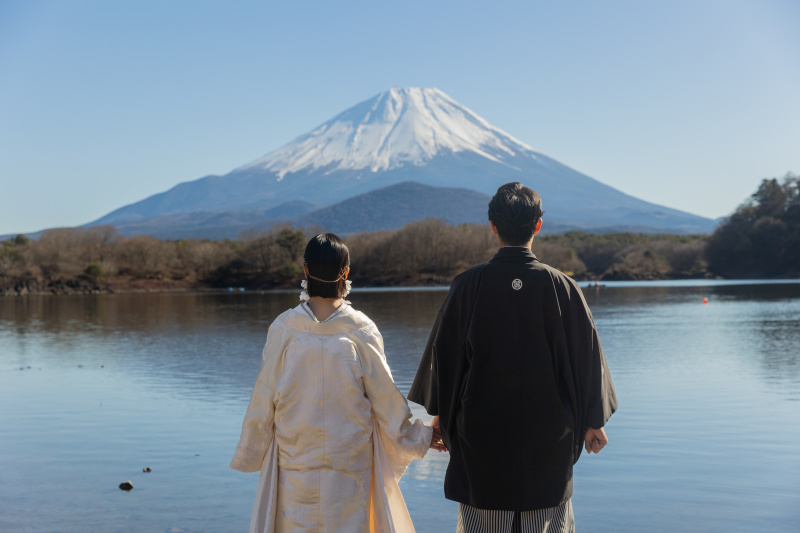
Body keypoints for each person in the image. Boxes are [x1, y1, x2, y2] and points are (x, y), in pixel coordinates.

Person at [408, 183, 618, 533]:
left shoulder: (467, 286)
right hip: (550, 440)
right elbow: (587, 361)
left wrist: (440, 417)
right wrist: (593, 420)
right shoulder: (564, 287)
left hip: (482, 441)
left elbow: (445, 361)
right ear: (538, 226)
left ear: (493, 226)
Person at [231, 233, 444, 533]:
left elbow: (263, 397)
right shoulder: (360, 329)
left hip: (294, 468)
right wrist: (422, 435)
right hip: (350, 472)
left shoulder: (284, 328)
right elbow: (387, 403)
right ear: (346, 273)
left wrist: (251, 448)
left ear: (305, 271)